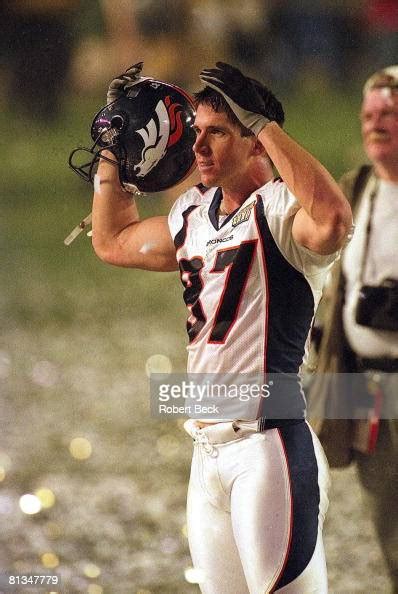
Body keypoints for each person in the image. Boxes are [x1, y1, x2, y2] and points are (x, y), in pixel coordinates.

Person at [91, 61, 352, 593]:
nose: (199, 147)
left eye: (218, 132)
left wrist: (267, 125)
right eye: (197, 133)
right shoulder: (193, 214)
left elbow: (332, 221)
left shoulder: (281, 211)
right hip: (206, 454)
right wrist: (113, 149)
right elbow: (112, 239)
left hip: (269, 446)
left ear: (256, 141)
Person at [314, 65, 398, 593]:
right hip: (367, 388)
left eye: (389, 112)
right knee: (388, 521)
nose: (376, 124)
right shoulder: (358, 187)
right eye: (369, 115)